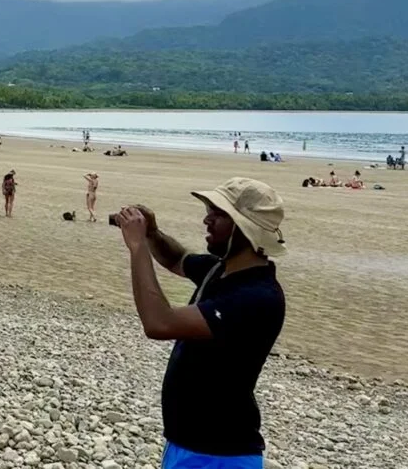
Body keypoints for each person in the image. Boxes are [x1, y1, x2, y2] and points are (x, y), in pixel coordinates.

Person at [113, 178, 286, 469]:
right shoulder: (221, 270)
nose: (207, 219)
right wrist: (153, 233)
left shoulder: (256, 297)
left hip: (220, 454)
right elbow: (177, 258)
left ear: (244, 228)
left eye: (217, 214)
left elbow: (159, 323)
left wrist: (138, 246)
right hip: (188, 446)